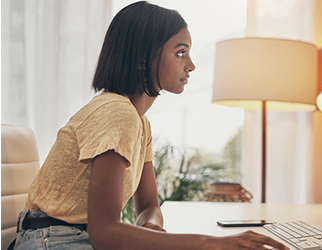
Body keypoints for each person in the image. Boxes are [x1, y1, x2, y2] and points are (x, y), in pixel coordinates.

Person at [12, 1, 289, 250]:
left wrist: (149, 228)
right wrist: (209, 243)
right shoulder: (116, 113)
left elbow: (148, 206)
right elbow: (105, 232)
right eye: (181, 52)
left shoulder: (139, 122)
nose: (191, 65)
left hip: (74, 236)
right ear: (144, 59)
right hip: (52, 239)